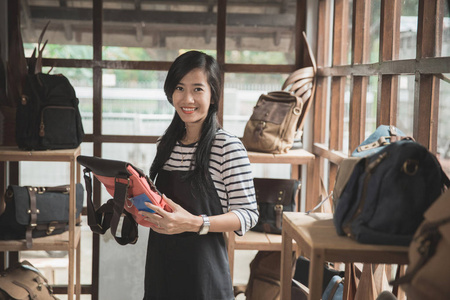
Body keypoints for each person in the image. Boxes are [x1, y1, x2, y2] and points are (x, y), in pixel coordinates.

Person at [140, 50, 259, 300]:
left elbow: (248, 214)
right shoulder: (166, 143)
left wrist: (194, 223)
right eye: (180, 88)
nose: (187, 98)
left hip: (205, 276)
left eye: (197, 89)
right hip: (160, 269)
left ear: (213, 94)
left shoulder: (228, 147)